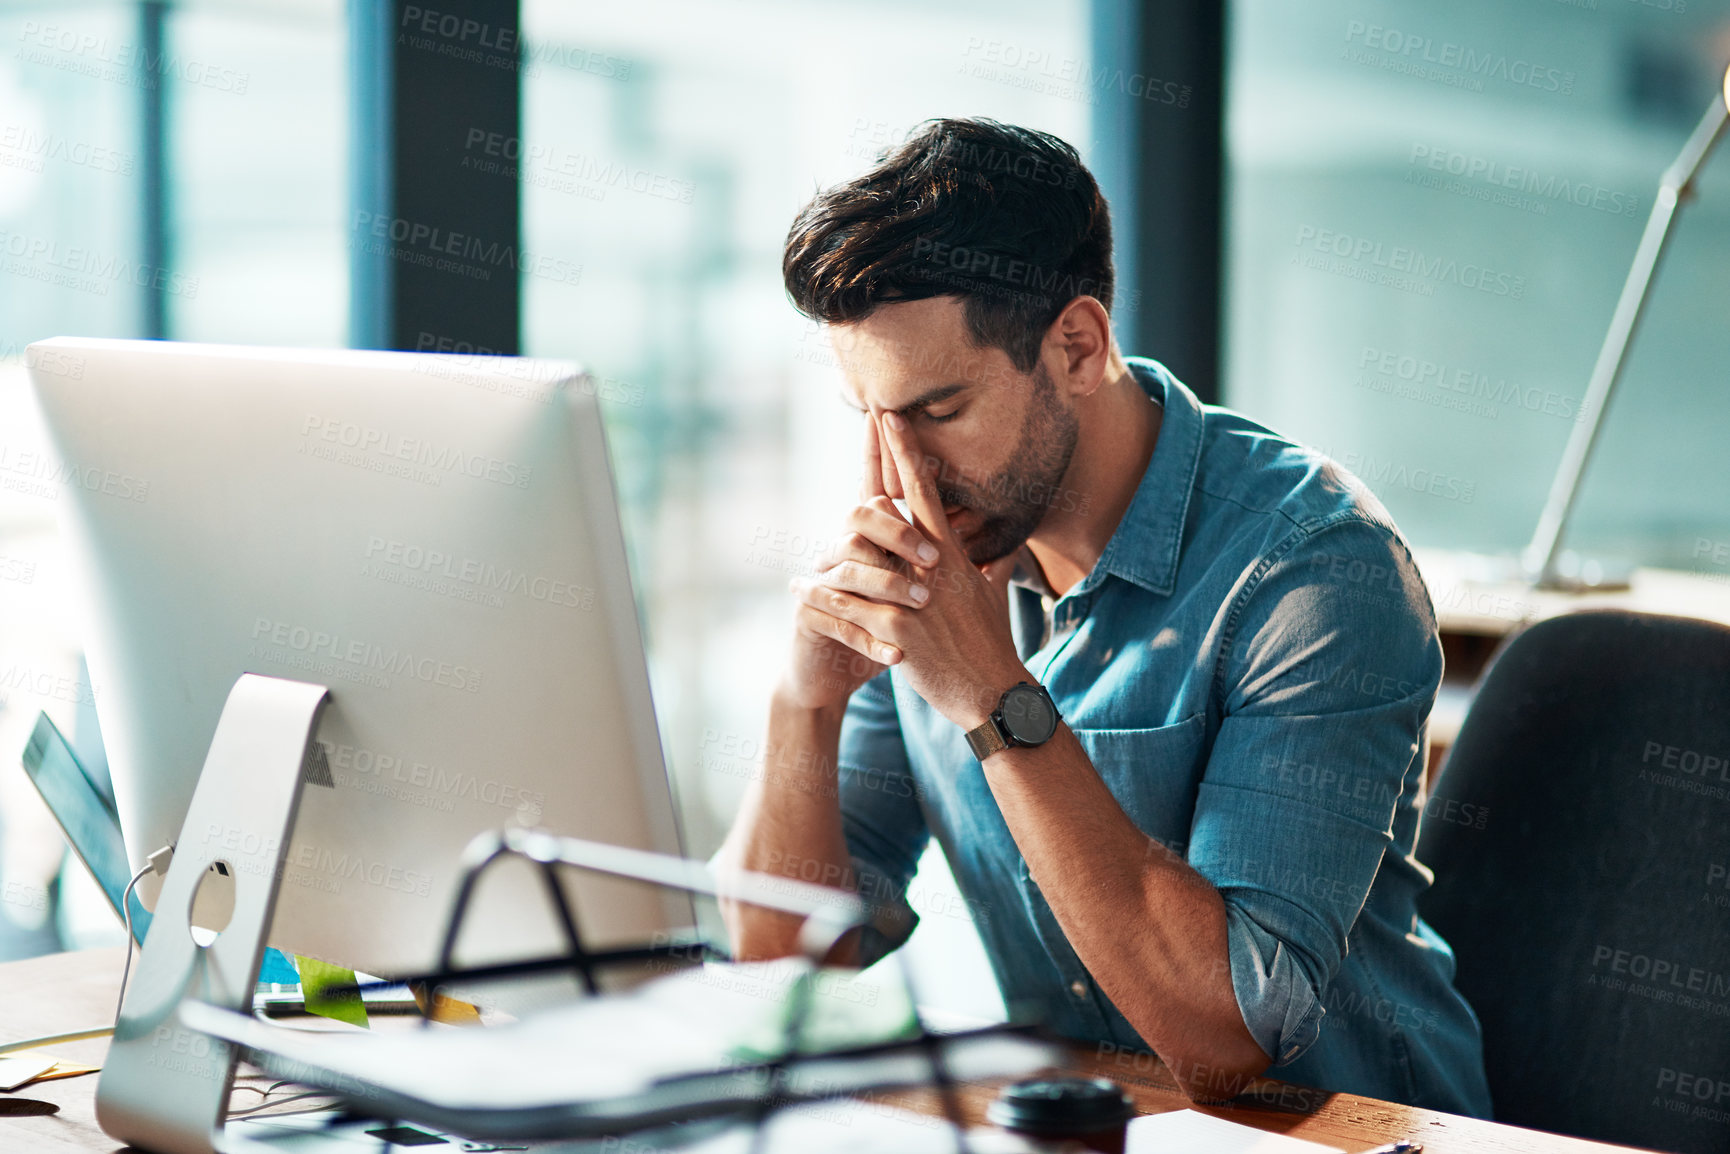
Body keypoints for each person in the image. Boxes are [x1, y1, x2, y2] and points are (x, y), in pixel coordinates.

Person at [716, 117, 1492, 1117]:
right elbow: (785, 968)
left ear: (1076, 346)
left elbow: (1229, 1037)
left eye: (937, 409)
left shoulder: (1314, 572)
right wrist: (805, 700)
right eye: (869, 416)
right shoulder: (944, 555)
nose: (898, 472)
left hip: (1343, 1132)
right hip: (1092, 1124)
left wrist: (991, 694)